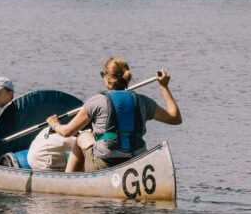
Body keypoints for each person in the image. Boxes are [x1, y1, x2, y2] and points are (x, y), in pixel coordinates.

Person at [45, 58, 182, 173]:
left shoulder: (97, 101)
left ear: (107, 77)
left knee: (82, 136)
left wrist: (55, 124)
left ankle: (68, 180)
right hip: (136, 161)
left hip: (104, 162)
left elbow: (67, 132)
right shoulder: (143, 101)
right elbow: (175, 118)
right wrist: (164, 86)